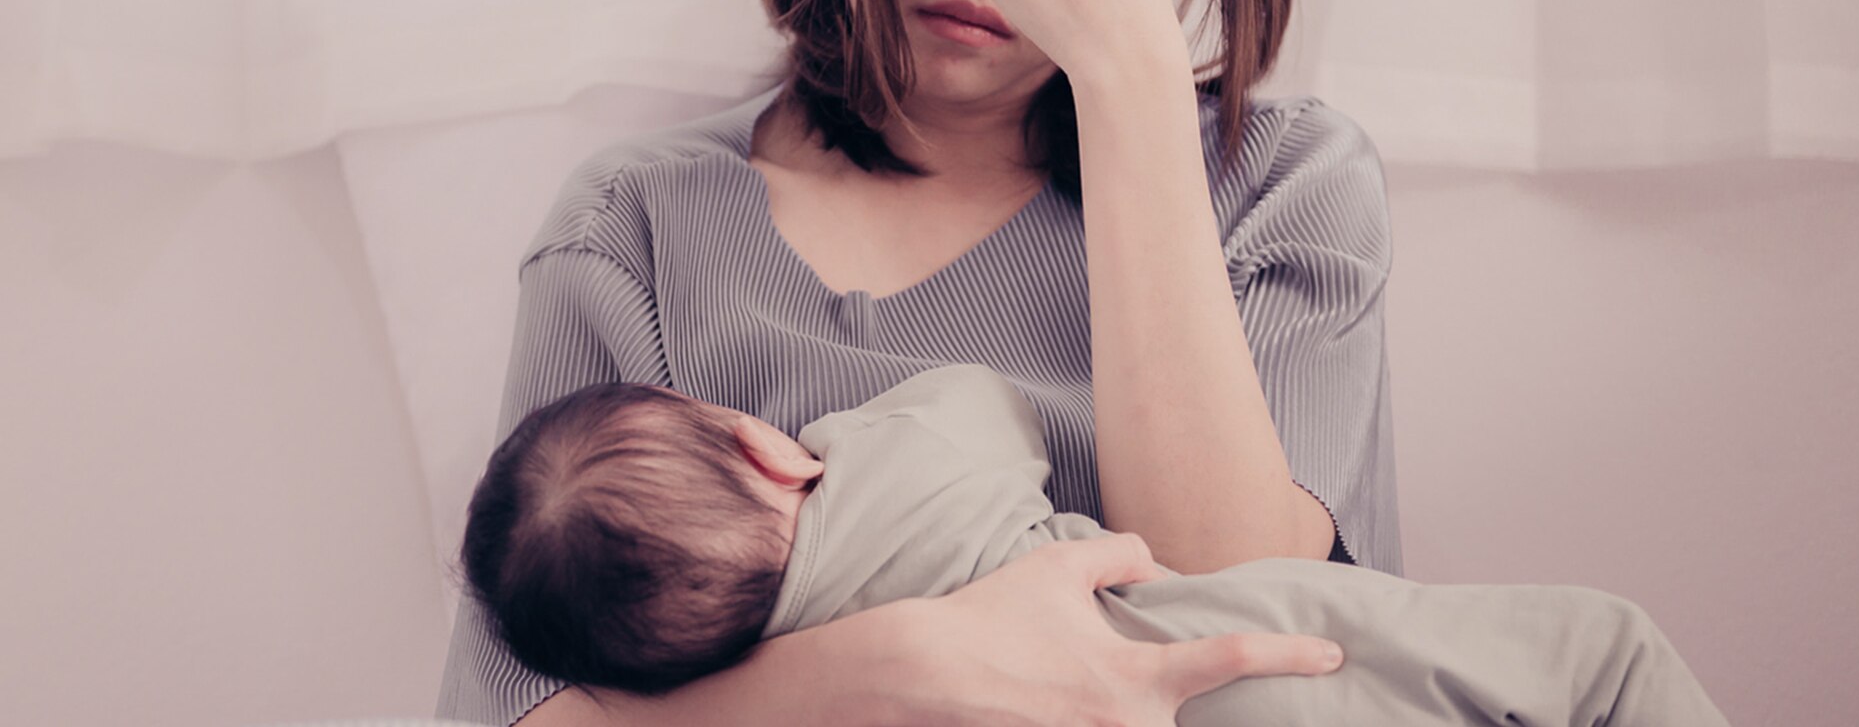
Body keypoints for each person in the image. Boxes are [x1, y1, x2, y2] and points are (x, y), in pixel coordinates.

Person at [438, 0, 1407, 723]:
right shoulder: (635, 229)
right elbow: (514, 712)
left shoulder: (1284, 186)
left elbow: (1231, 607)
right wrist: (901, 671)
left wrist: (1128, 74)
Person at [458, 362, 1731, 726]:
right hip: (1253, 667)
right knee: (1601, 654)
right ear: (769, 447)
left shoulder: (708, 681)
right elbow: (984, 399)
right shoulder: (904, 458)